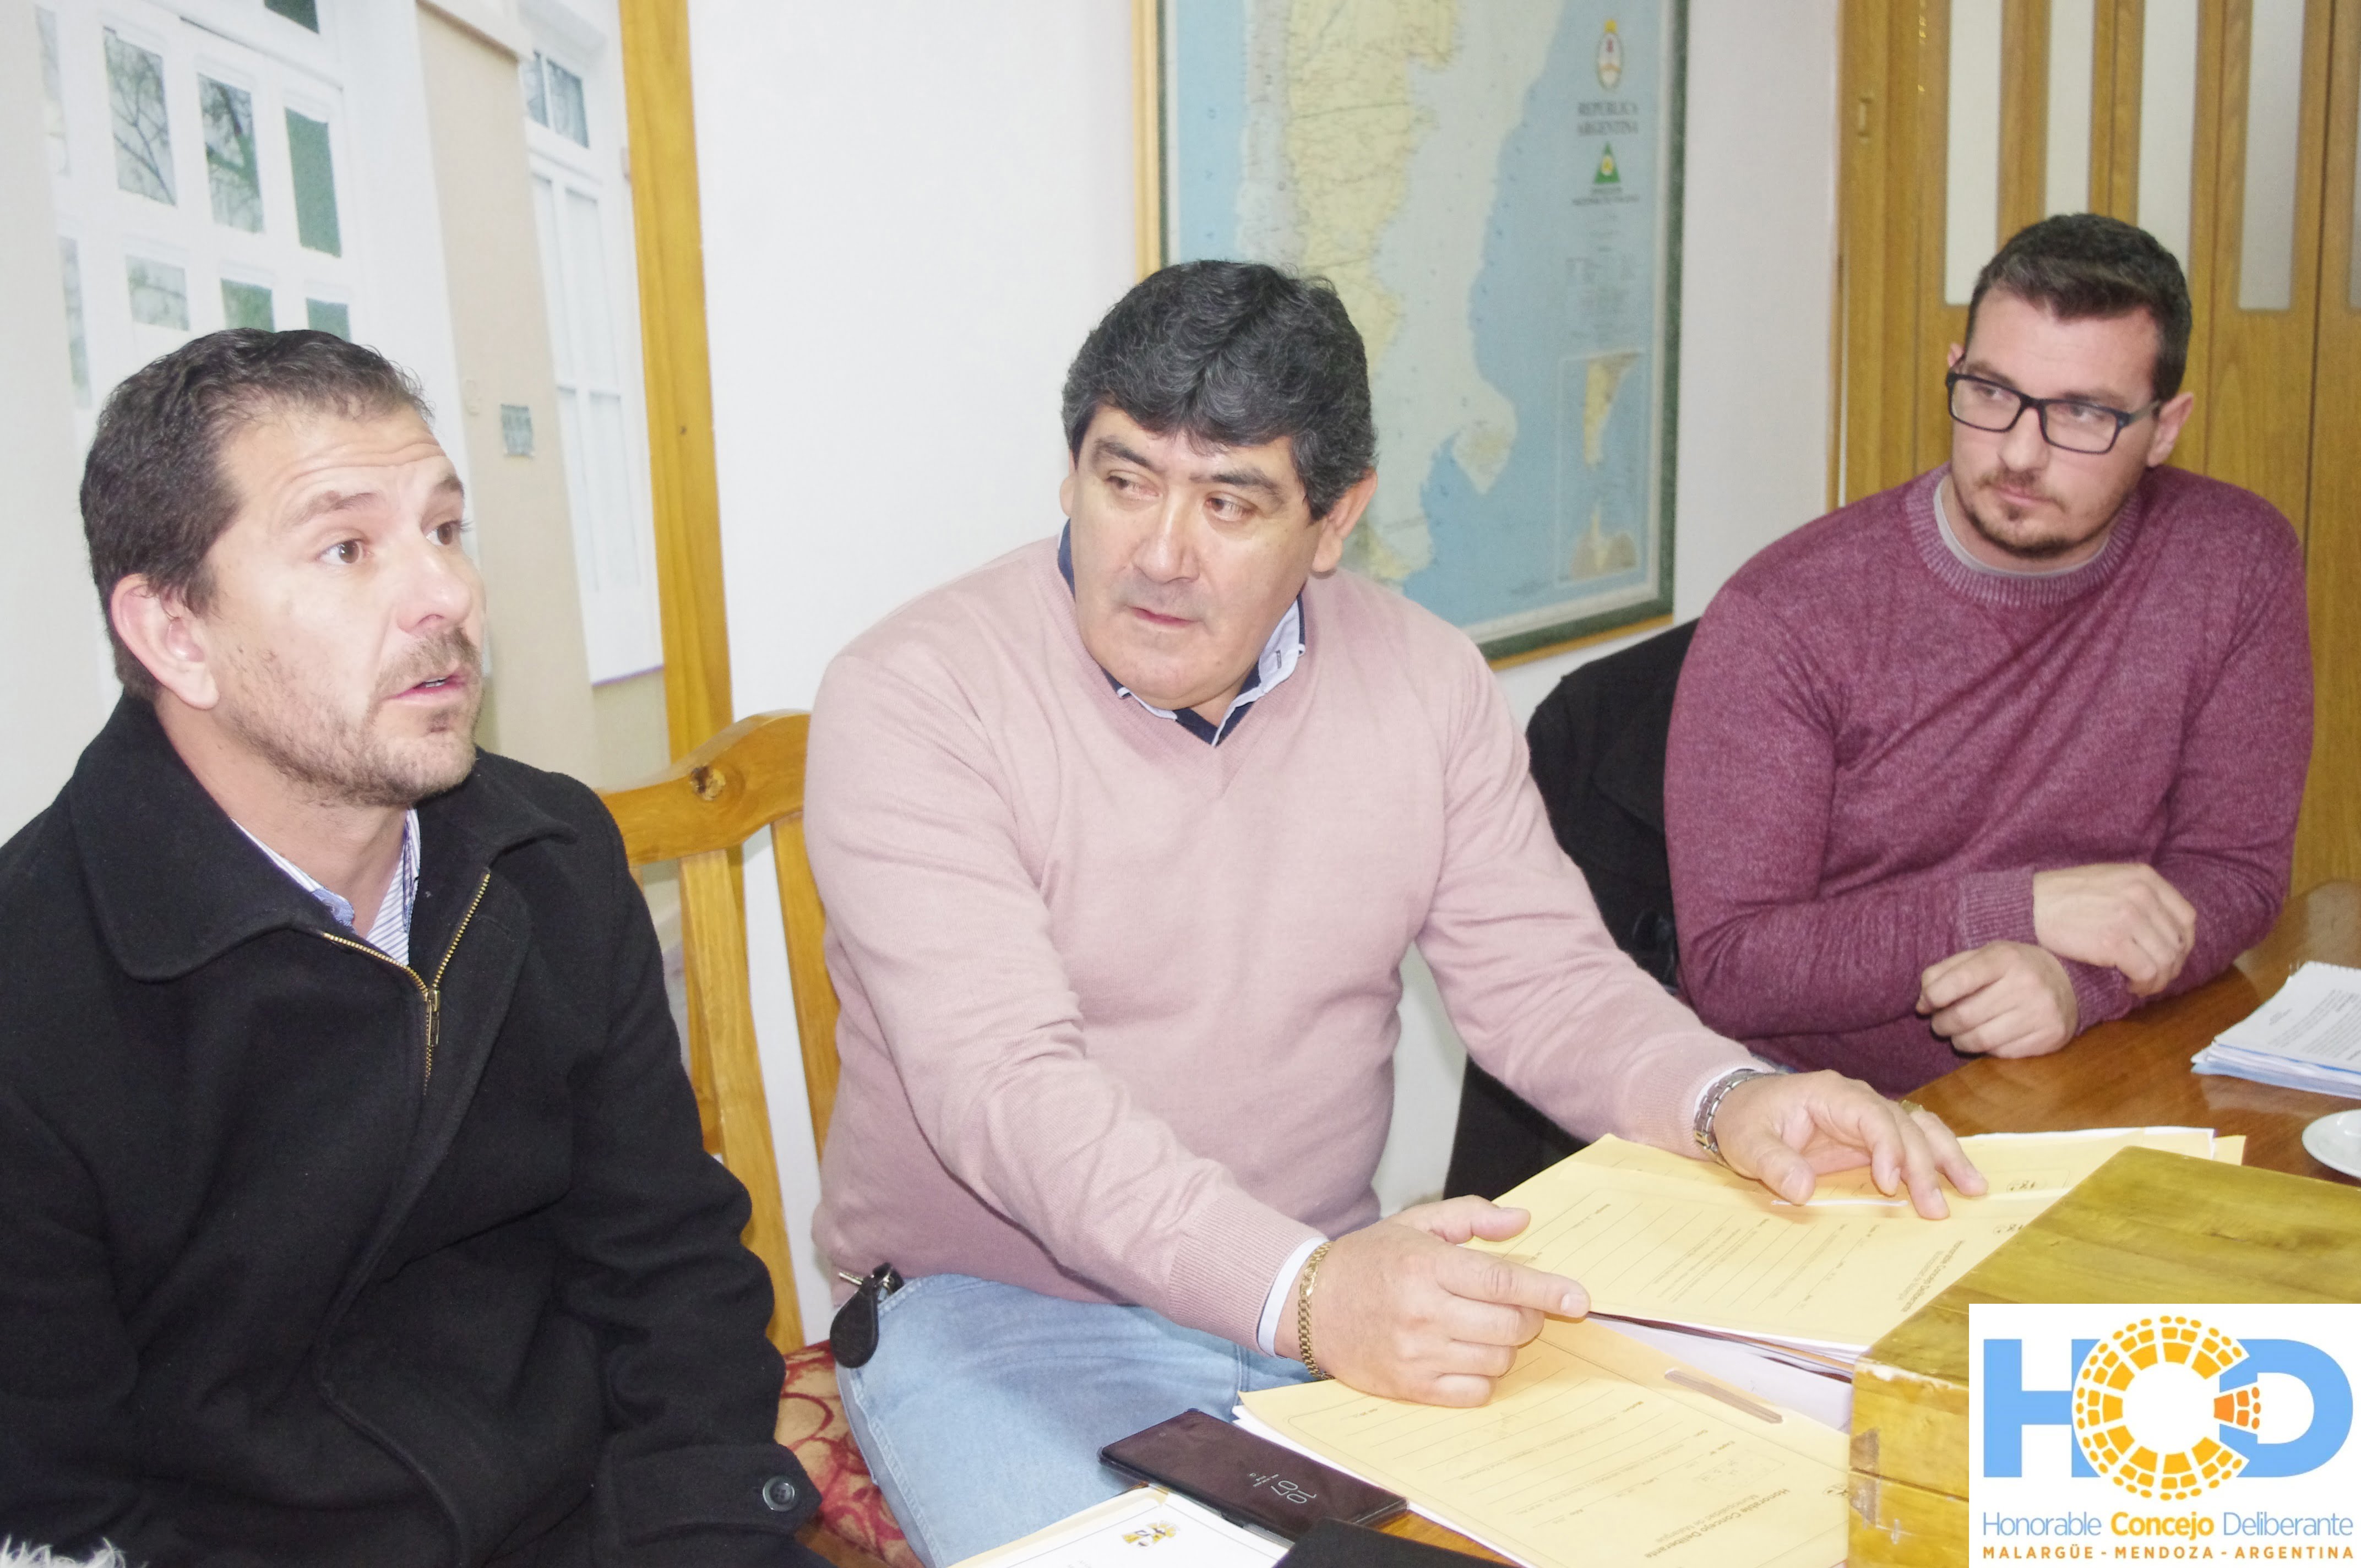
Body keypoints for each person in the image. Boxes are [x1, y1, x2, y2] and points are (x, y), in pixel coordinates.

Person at [803, 260, 1984, 1566]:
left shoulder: (1424, 678)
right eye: (1124, 479)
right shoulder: (914, 699)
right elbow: (1006, 1091)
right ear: (1069, 470)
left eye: (1228, 501)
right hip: (1009, 1310)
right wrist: (1304, 1292)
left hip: (1329, 1283)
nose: (1158, 552)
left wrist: (1725, 1097)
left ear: (1334, 520)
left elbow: (1543, 981)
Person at [0, 330, 824, 1566]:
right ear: (175, 633)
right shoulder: (36, 991)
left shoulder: (548, 855)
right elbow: (57, 1506)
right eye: (347, 547)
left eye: (444, 528)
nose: (445, 594)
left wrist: (703, 1534)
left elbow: (669, 1272)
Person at [1664, 214, 2313, 1097]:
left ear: (2165, 429)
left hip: (2096, 1074)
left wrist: (2080, 987)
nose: (2018, 452)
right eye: (1993, 392)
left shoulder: (2233, 560)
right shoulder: (1786, 614)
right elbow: (1733, 966)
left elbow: (2234, 872)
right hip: (1826, 1100)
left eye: (2082, 413)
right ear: (1955, 368)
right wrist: (2023, 909)